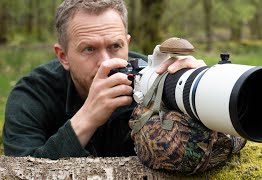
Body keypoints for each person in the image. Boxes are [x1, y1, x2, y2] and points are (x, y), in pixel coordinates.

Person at [2, 0, 205, 159]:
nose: (106, 62)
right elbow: (19, 169)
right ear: (63, 56)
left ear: (127, 43)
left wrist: (198, 87)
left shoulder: (157, 77)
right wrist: (87, 118)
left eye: (115, 46)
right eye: (89, 49)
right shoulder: (32, 93)